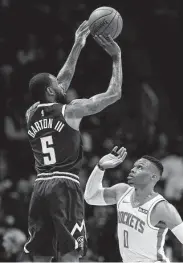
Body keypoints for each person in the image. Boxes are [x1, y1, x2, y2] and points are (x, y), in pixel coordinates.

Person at [24, 19, 123, 262]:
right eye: (56, 84)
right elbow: (114, 94)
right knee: (70, 252)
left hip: (40, 187)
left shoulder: (31, 113)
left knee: (41, 253)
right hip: (64, 187)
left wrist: (78, 44)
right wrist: (116, 57)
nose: (62, 84)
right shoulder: (71, 111)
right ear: (50, 91)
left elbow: (60, 82)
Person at [84, 146, 183, 262]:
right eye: (134, 166)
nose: (133, 169)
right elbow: (90, 197)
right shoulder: (122, 191)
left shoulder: (162, 208)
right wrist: (100, 168)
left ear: (153, 177)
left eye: (140, 167)